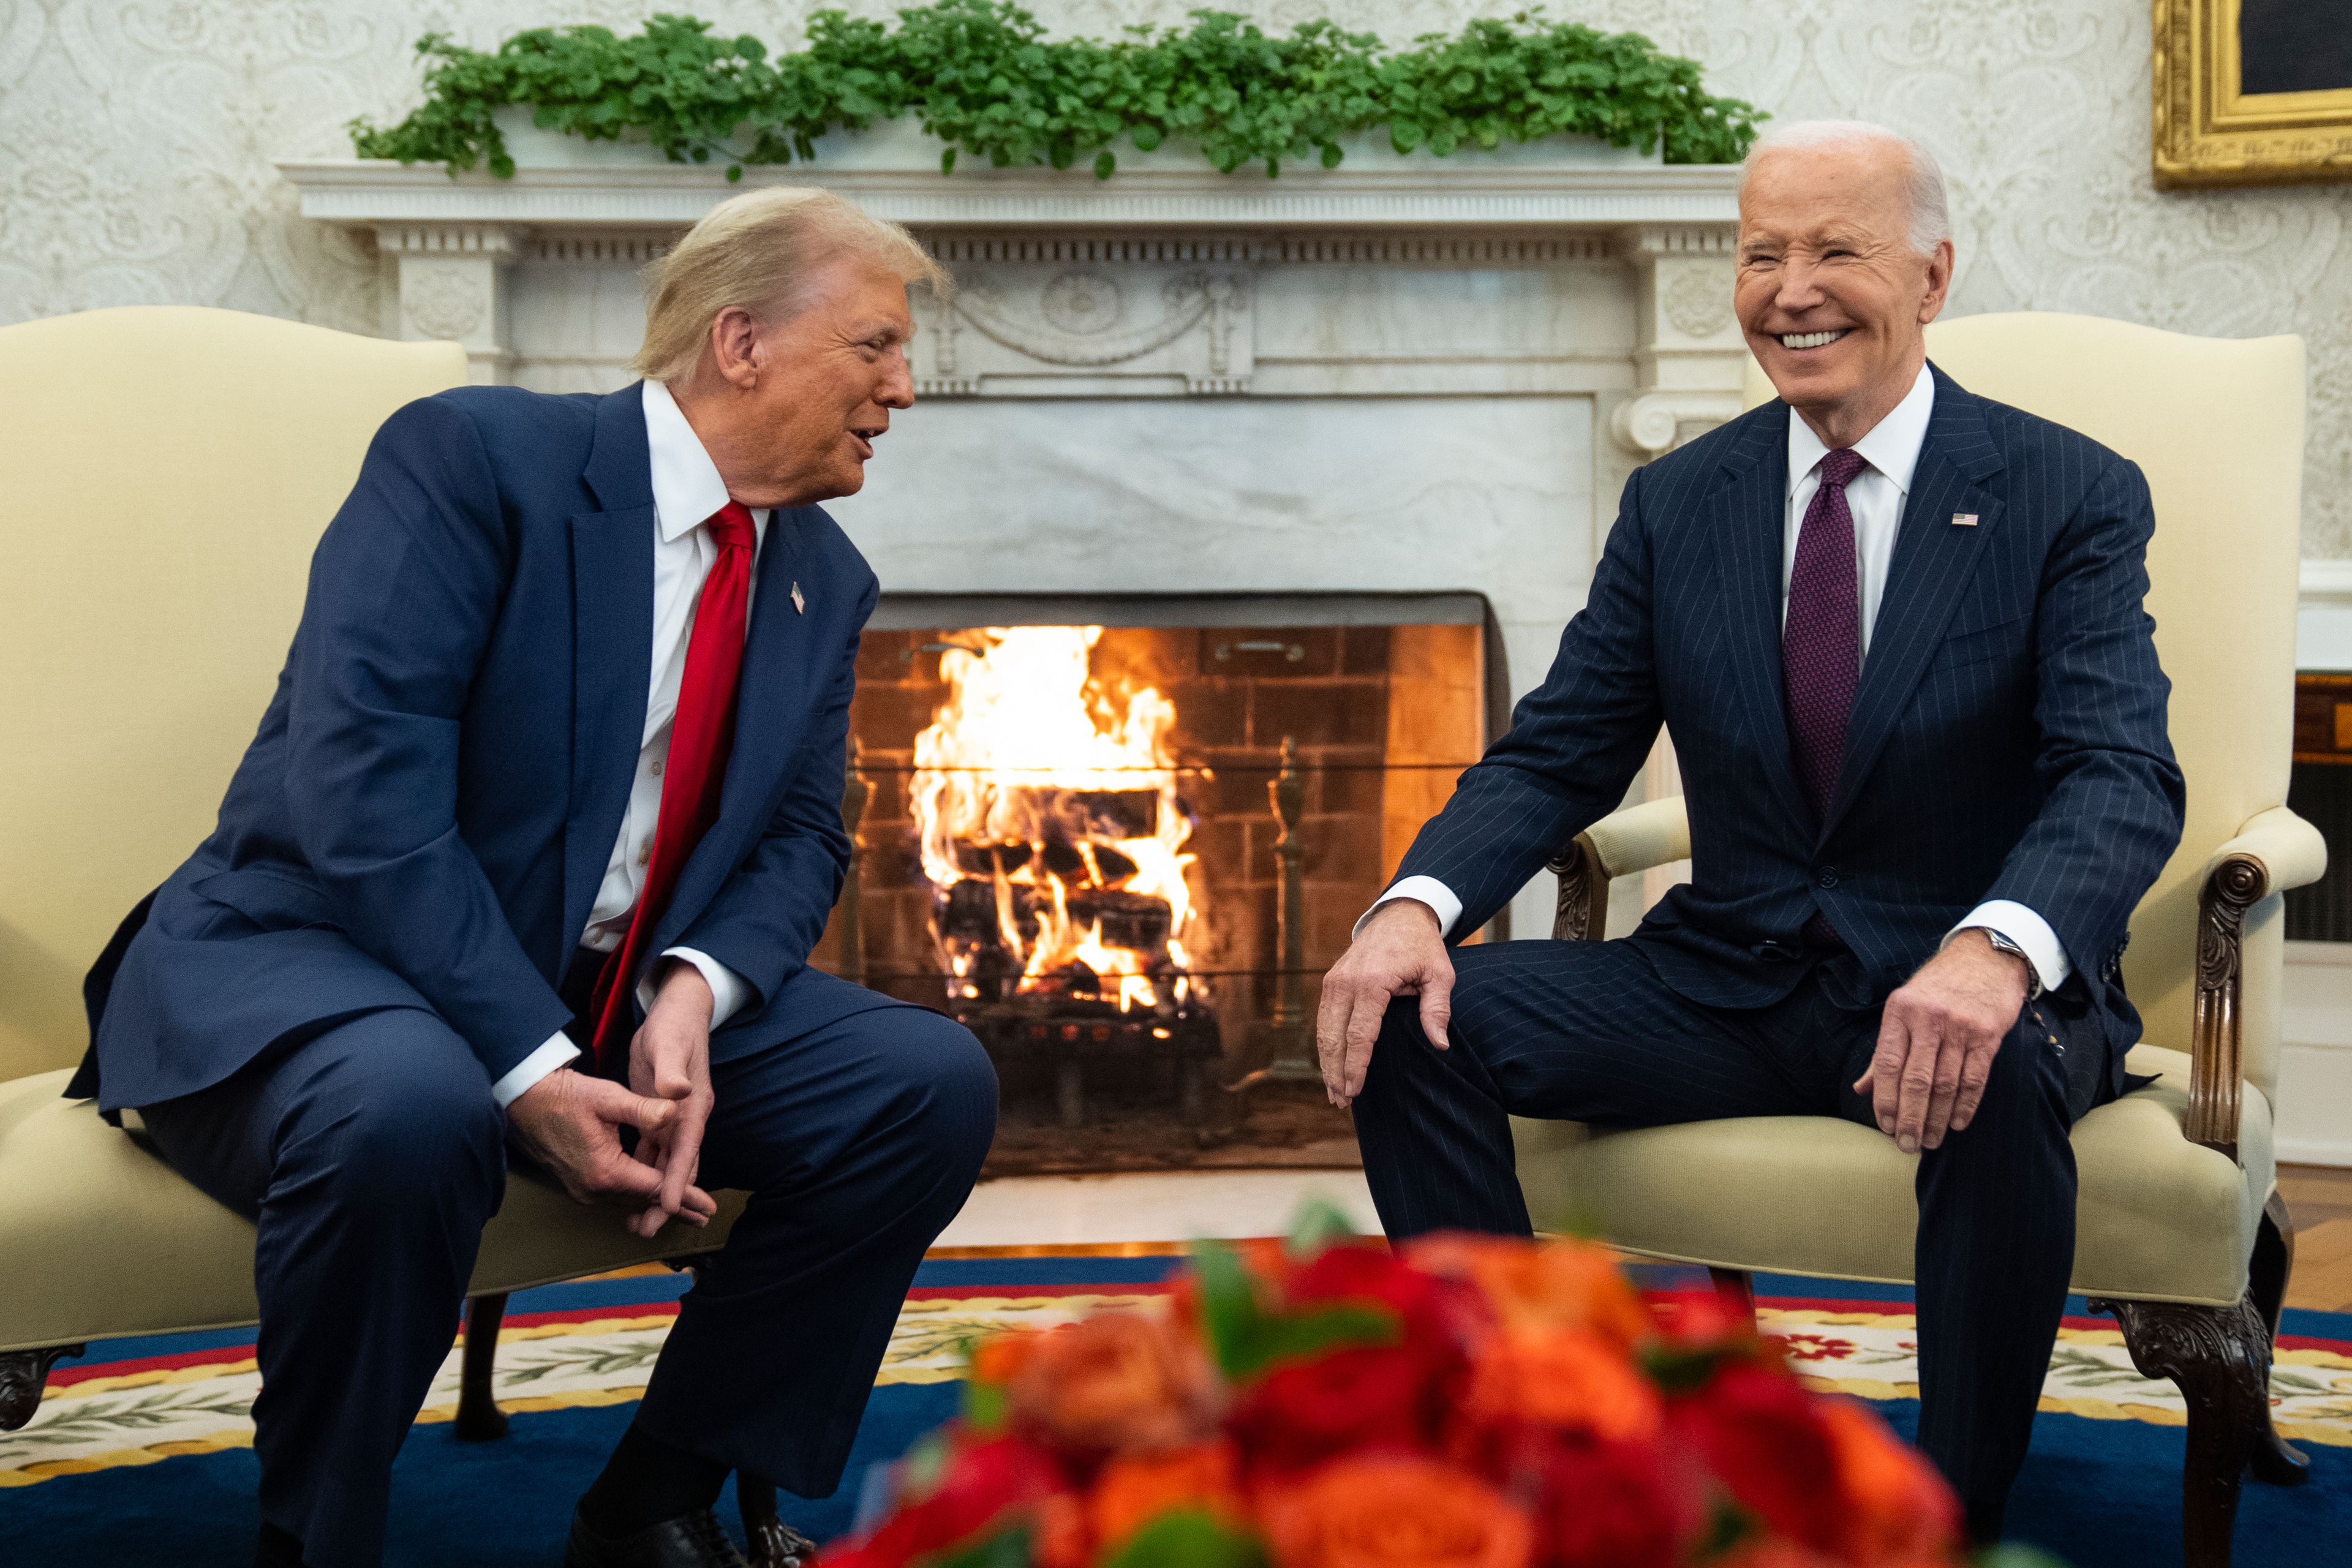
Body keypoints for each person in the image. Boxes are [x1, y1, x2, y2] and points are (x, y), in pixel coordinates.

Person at [67, 186, 998, 1568]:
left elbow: (805, 836)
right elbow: (361, 797)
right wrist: (532, 1064)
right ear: (739, 341)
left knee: (922, 1085)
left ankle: (650, 1502)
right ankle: (312, 1536)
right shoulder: (475, 459)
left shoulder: (819, 576)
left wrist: (693, 991)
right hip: (316, 958)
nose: (904, 390)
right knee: (411, 1103)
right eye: (874, 345)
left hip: (594, 983)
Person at [1318, 119, 2183, 1540]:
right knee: (1414, 1019)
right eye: (1761, 252)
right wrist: (1416, 905)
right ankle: (1519, 1450)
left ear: (1932, 275)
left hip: (1952, 979)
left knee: (1997, 1076)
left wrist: (1995, 949)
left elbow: (2117, 769)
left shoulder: (2065, 490)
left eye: (1837, 249)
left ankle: (1953, 1511)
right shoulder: (1680, 500)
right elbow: (1561, 752)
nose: (1792, 289)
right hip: (1725, 972)